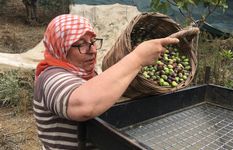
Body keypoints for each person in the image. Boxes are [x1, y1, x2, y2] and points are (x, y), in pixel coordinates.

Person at [33, 14, 179, 150]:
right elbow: (84, 105)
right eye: (80, 44)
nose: (92, 50)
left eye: (92, 42)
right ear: (61, 47)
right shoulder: (50, 77)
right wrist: (138, 58)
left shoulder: (87, 74)